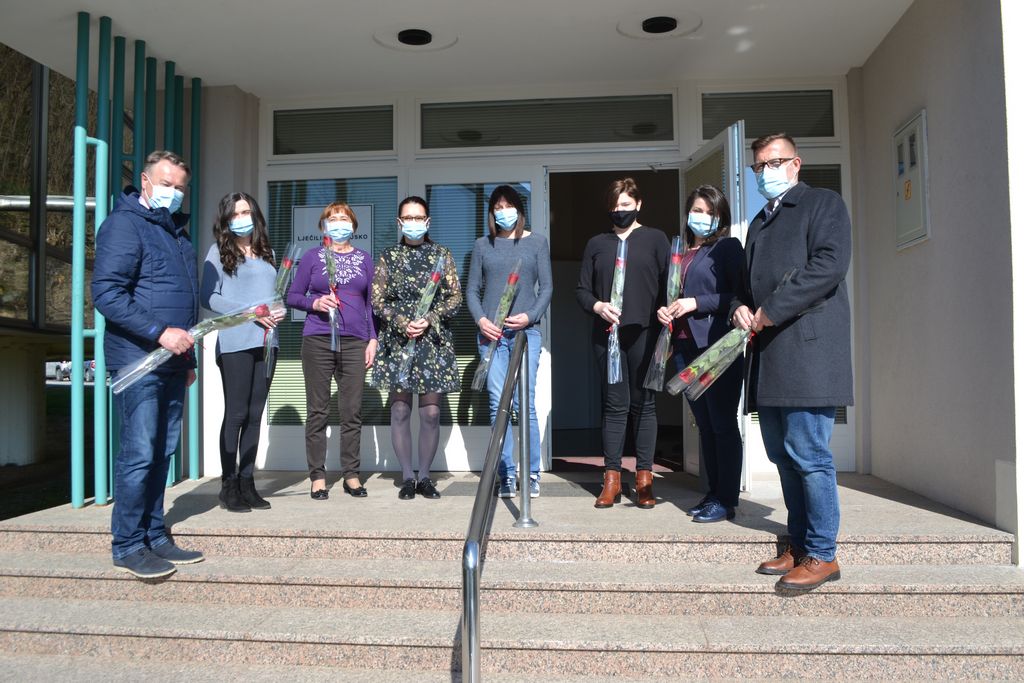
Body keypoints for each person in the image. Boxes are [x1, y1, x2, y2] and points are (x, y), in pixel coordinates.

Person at [731, 133, 853, 592]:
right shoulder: (759, 222)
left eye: (774, 162)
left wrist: (771, 309)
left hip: (808, 351)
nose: (766, 172)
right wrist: (739, 309)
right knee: (783, 455)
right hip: (769, 355)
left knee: (809, 454)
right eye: (759, 166)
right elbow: (745, 288)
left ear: (796, 164)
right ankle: (799, 543)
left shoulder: (823, 204)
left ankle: (823, 553)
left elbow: (829, 266)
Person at [92, 150, 204, 579]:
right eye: (166, 183)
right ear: (145, 181)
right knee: (139, 453)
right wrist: (159, 333)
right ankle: (127, 544)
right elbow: (107, 293)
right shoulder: (125, 225)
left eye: (180, 187)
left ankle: (155, 535)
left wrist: (188, 358)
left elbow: (185, 308)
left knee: (161, 453)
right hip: (139, 359)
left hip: (173, 361)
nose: (173, 193)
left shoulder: (176, 234)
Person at [576, 178, 668, 509]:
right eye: (615, 206)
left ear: (638, 204)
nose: (620, 211)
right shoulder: (597, 243)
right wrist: (598, 306)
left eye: (626, 205)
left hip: (645, 332)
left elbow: (669, 285)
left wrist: (666, 314)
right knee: (614, 406)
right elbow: (582, 290)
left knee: (644, 405)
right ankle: (612, 478)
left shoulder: (656, 239)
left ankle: (644, 479)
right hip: (608, 336)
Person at [657, 185, 745, 523]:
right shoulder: (679, 251)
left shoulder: (727, 248)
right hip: (683, 347)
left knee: (722, 424)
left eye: (710, 212)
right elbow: (672, 294)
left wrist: (696, 303)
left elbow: (738, 296)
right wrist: (664, 310)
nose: (703, 217)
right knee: (705, 426)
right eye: (697, 210)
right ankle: (713, 493)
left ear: (721, 217)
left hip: (716, 348)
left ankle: (726, 499)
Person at [370, 196, 462, 500]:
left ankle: (425, 477)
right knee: (399, 410)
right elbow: (377, 300)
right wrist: (401, 321)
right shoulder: (389, 256)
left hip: (431, 341)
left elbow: (455, 297)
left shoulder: (441, 255)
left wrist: (430, 318)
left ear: (428, 221)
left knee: (431, 413)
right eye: (407, 218)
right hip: (399, 341)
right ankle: (407, 477)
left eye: (418, 217)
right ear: (399, 222)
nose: (413, 223)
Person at [287, 202, 377, 500]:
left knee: (351, 410)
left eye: (344, 218)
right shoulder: (312, 257)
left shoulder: (364, 259)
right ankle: (317, 476)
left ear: (354, 225)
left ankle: (351, 474)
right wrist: (314, 302)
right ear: (323, 226)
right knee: (318, 410)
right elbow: (292, 296)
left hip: (355, 341)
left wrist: (373, 339)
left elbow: (370, 304)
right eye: (333, 218)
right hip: (318, 339)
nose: (339, 223)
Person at [467, 185, 552, 498]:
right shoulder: (482, 245)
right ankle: (505, 474)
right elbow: (471, 290)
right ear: (491, 213)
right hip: (492, 337)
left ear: (519, 209)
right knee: (497, 405)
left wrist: (530, 316)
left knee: (524, 405)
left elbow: (547, 288)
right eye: (498, 207)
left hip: (525, 334)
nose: (504, 211)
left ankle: (531, 474)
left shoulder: (537, 242)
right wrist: (482, 320)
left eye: (509, 205)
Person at [200, 192, 282, 512]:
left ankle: (248, 482)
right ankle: (228, 484)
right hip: (235, 341)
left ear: (255, 215)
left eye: (246, 212)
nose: (241, 219)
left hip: (267, 342)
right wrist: (249, 312)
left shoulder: (267, 252)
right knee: (236, 413)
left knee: (255, 414)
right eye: (234, 215)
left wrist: (278, 309)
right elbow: (209, 297)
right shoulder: (218, 252)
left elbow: (273, 296)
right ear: (225, 220)